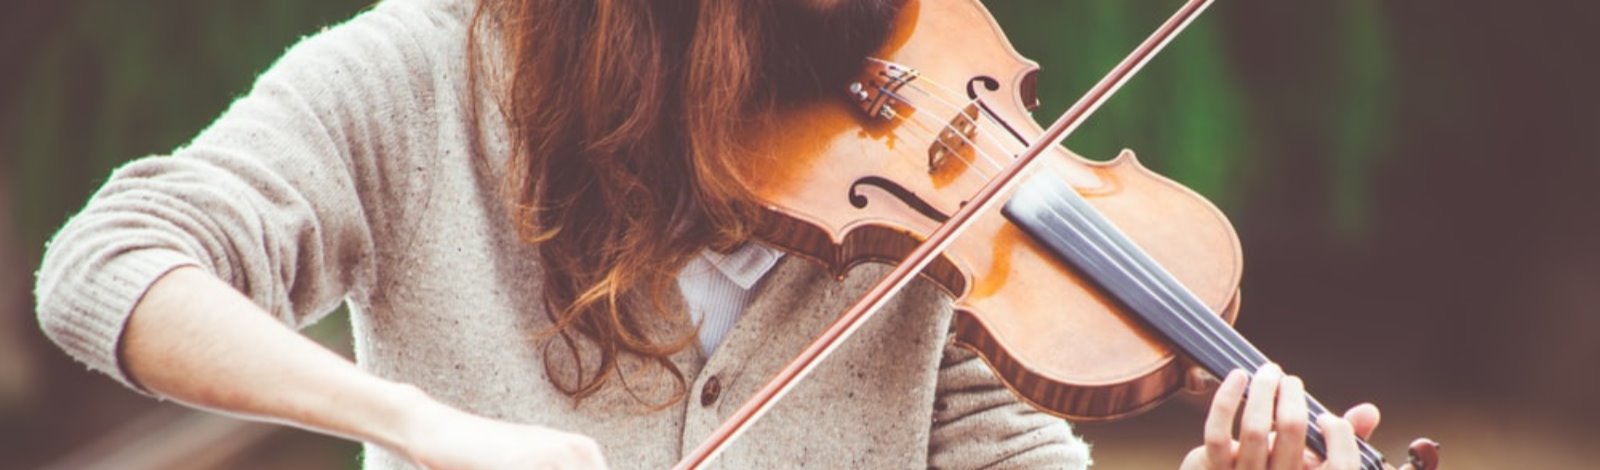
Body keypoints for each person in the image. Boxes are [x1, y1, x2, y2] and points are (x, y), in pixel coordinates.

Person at [34, 0, 1394, 468]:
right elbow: (109, 265)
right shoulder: (416, 76)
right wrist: (419, 423)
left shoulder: (926, 215)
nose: (880, 57)